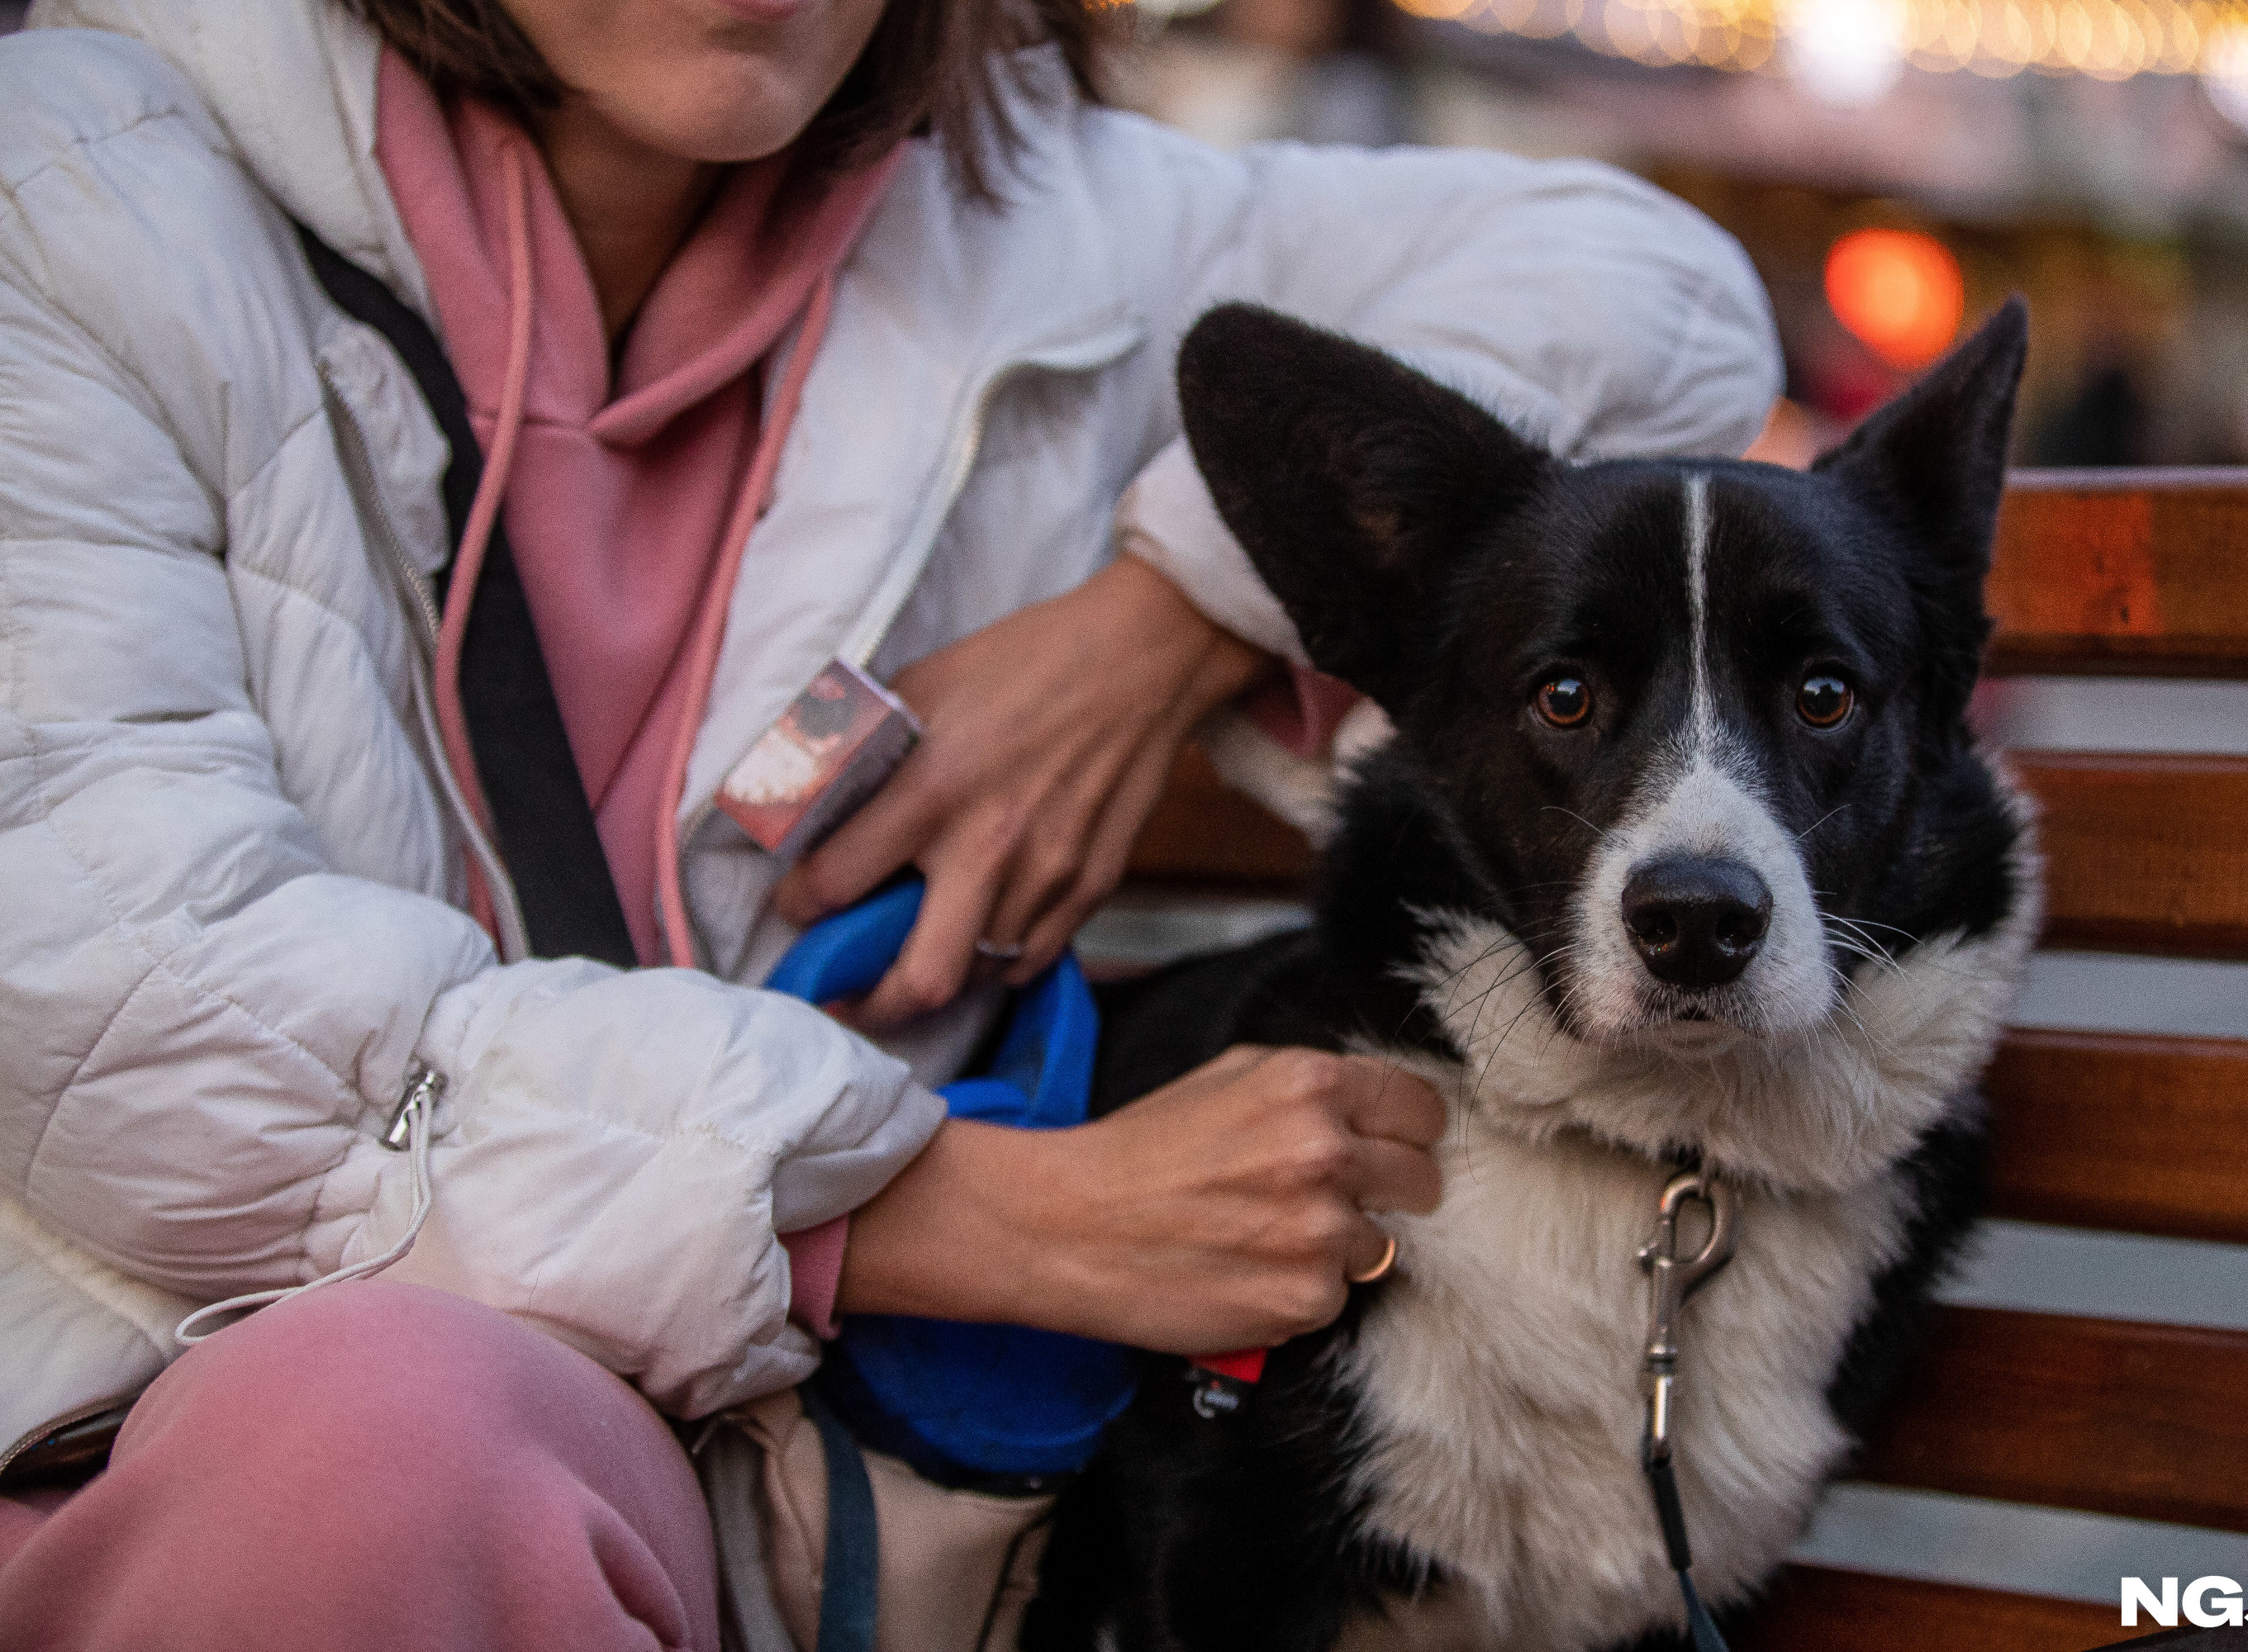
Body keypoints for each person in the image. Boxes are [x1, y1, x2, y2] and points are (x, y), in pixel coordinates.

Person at [0, 0, 1780, 1645]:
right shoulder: (70, 187)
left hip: (750, 1486)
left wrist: (1163, 615)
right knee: (379, 1442)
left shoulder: (1022, 204)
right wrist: (976, 1218)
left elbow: (1665, 295)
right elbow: (138, 1017)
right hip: (145, 1418)